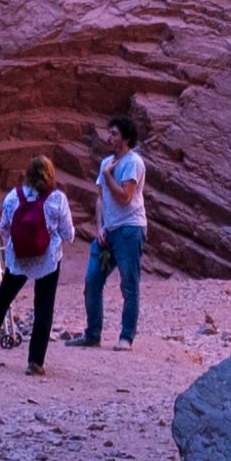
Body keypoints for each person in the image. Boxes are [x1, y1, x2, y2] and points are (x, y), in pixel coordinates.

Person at [0, 164, 64, 373]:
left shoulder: (14, 195)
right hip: (47, 258)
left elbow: (4, 227)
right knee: (44, 307)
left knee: (2, 300)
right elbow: (67, 232)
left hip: (19, 257)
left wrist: (16, 244)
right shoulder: (56, 198)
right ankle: (35, 362)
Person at [88, 117, 150, 346]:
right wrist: (99, 227)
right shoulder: (107, 162)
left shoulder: (133, 163)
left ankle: (126, 337)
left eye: (114, 133)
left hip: (129, 229)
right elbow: (100, 197)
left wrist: (107, 176)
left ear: (125, 138)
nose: (108, 137)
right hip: (109, 230)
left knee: (129, 283)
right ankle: (92, 335)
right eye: (109, 133)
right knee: (92, 280)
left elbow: (125, 197)